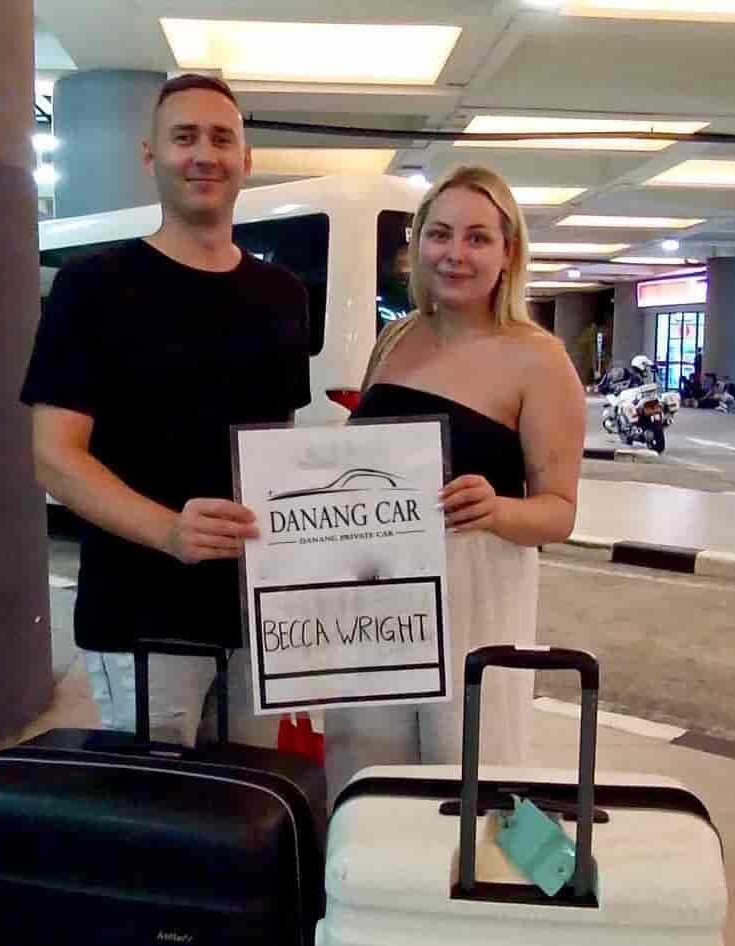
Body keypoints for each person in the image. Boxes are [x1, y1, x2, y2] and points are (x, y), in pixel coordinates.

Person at [20, 74, 311, 746]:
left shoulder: (282, 295)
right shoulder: (91, 289)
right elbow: (55, 457)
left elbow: (277, 446)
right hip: (139, 614)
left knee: (250, 811)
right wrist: (170, 532)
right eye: (184, 138)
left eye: (221, 138)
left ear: (246, 160)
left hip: (256, 617)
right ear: (150, 156)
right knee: (160, 819)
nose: (203, 154)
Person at [322, 165, 585, 800]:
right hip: (376, 596)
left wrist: (495, 508)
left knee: (475, 776)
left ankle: (511, 886)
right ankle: (372, 894)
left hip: (474, 598)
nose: (455, 254)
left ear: (508, 252)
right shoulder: (397, 336)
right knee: (367, 773)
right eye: (439, 235)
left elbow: (559, 512)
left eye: (477, 238)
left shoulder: (538, 358)